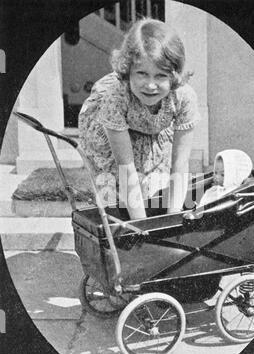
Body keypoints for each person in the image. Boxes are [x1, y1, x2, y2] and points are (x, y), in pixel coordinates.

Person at [78, 17, 201, 220]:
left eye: (161, 76)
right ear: (128, 71)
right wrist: (143, 228)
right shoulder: (115, 98)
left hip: (154, 128)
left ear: (174, 75)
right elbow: (126, 168)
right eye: (142, 73)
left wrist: (173, 220)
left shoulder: (184, 97)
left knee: (156, 191)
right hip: (115, 135)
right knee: (116, 196)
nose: (150, 85)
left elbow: (180, 163)